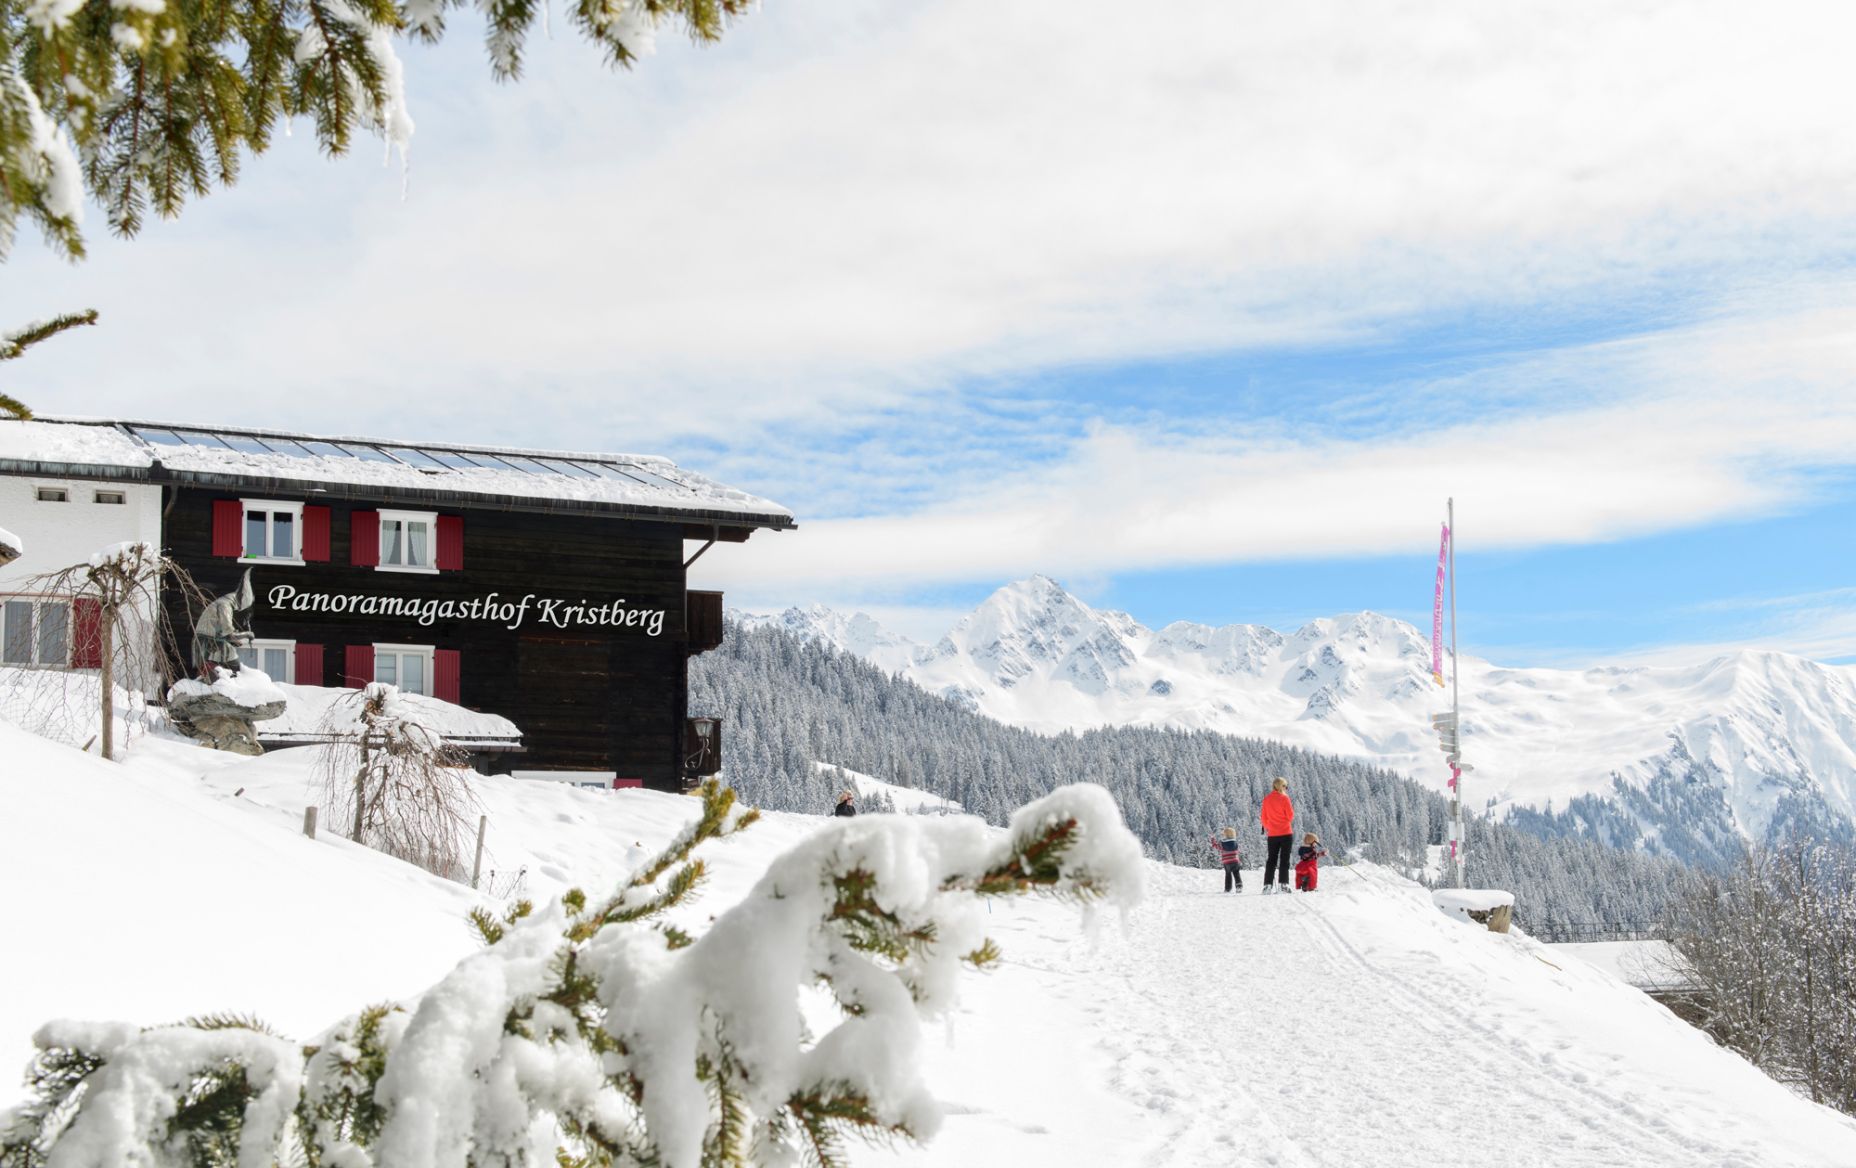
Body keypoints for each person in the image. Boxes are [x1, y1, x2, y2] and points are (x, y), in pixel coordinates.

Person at [1259, 777, 1294, 894]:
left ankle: (1267, 886)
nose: (1286, 789)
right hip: (1286, 833)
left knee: (1271, 860)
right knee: (1284, 859)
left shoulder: (1266, 799)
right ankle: (1283, 885)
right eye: (1285, 786)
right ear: (1282, 786)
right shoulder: (1285, 799)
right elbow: (1290, 816)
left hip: (1272, 834)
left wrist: (1270, 826)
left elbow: (1263, 819)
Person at [1208, 827, 1243, 893]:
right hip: (1235, 861)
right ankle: (1239, 886)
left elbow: (1215, 846)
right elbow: (1238, 850)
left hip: (1226, 862)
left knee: (1228, 875)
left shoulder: (1222, 844)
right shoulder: (1235, 843)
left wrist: (1212, 839)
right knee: (1236, 874)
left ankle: (1228, 888)